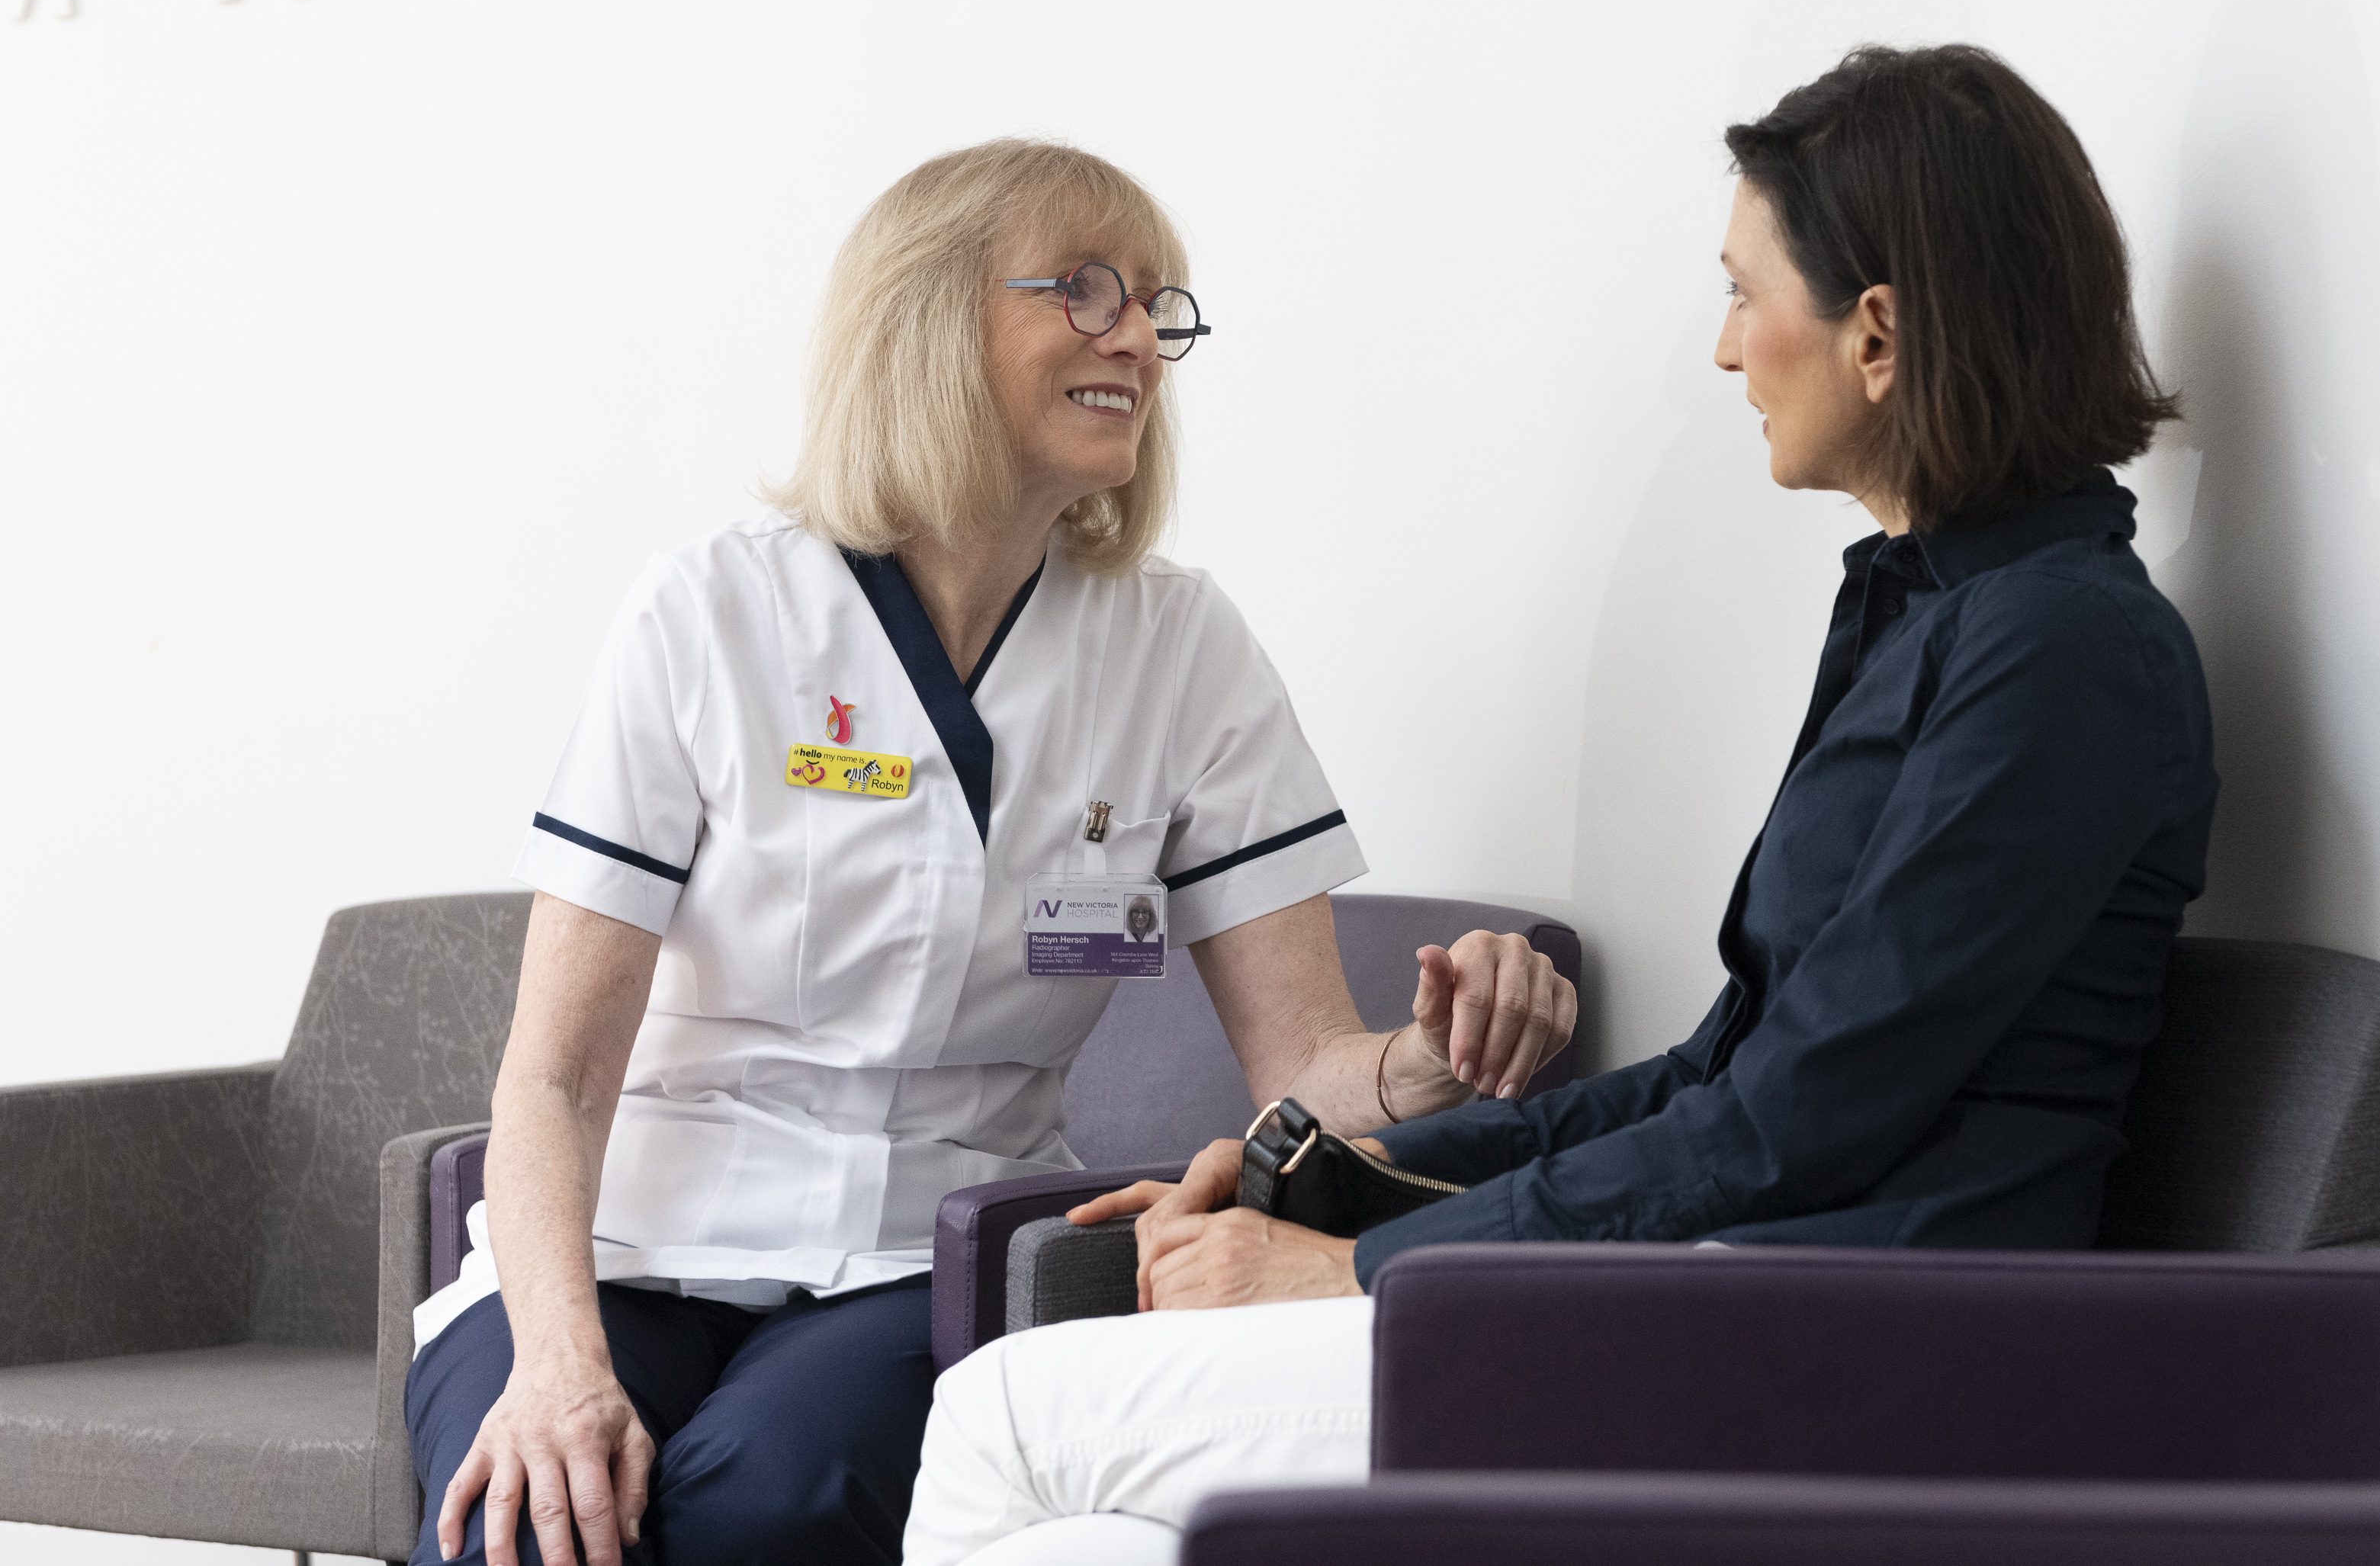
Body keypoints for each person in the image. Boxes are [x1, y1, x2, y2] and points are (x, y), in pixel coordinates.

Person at [901, 46, 2221, 1564]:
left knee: (1007, 1418)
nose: (1724, 352)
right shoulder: (1929, 619)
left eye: (1743, 291)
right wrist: (1310, 1182)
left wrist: (1358, 1270)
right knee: (1089, 1544)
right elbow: (1726, 1071)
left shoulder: (2062, 649)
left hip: (1844, 1344)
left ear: (1878, 332)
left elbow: (1806, 1117)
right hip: (1740, 1288)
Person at [404, 140, 1578, 1566]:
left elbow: (1308, 1071)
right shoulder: (709, 615)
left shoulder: (1180, 651)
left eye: (1157, 306)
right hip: (627, 1244)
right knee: (533, 1518)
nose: (1139, 339)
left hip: (928, 1250)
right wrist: (558, 1367)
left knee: (762, 1500)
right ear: (929, 325)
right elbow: (556, 1073)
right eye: (1086, 293)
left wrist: (1437, 1054)